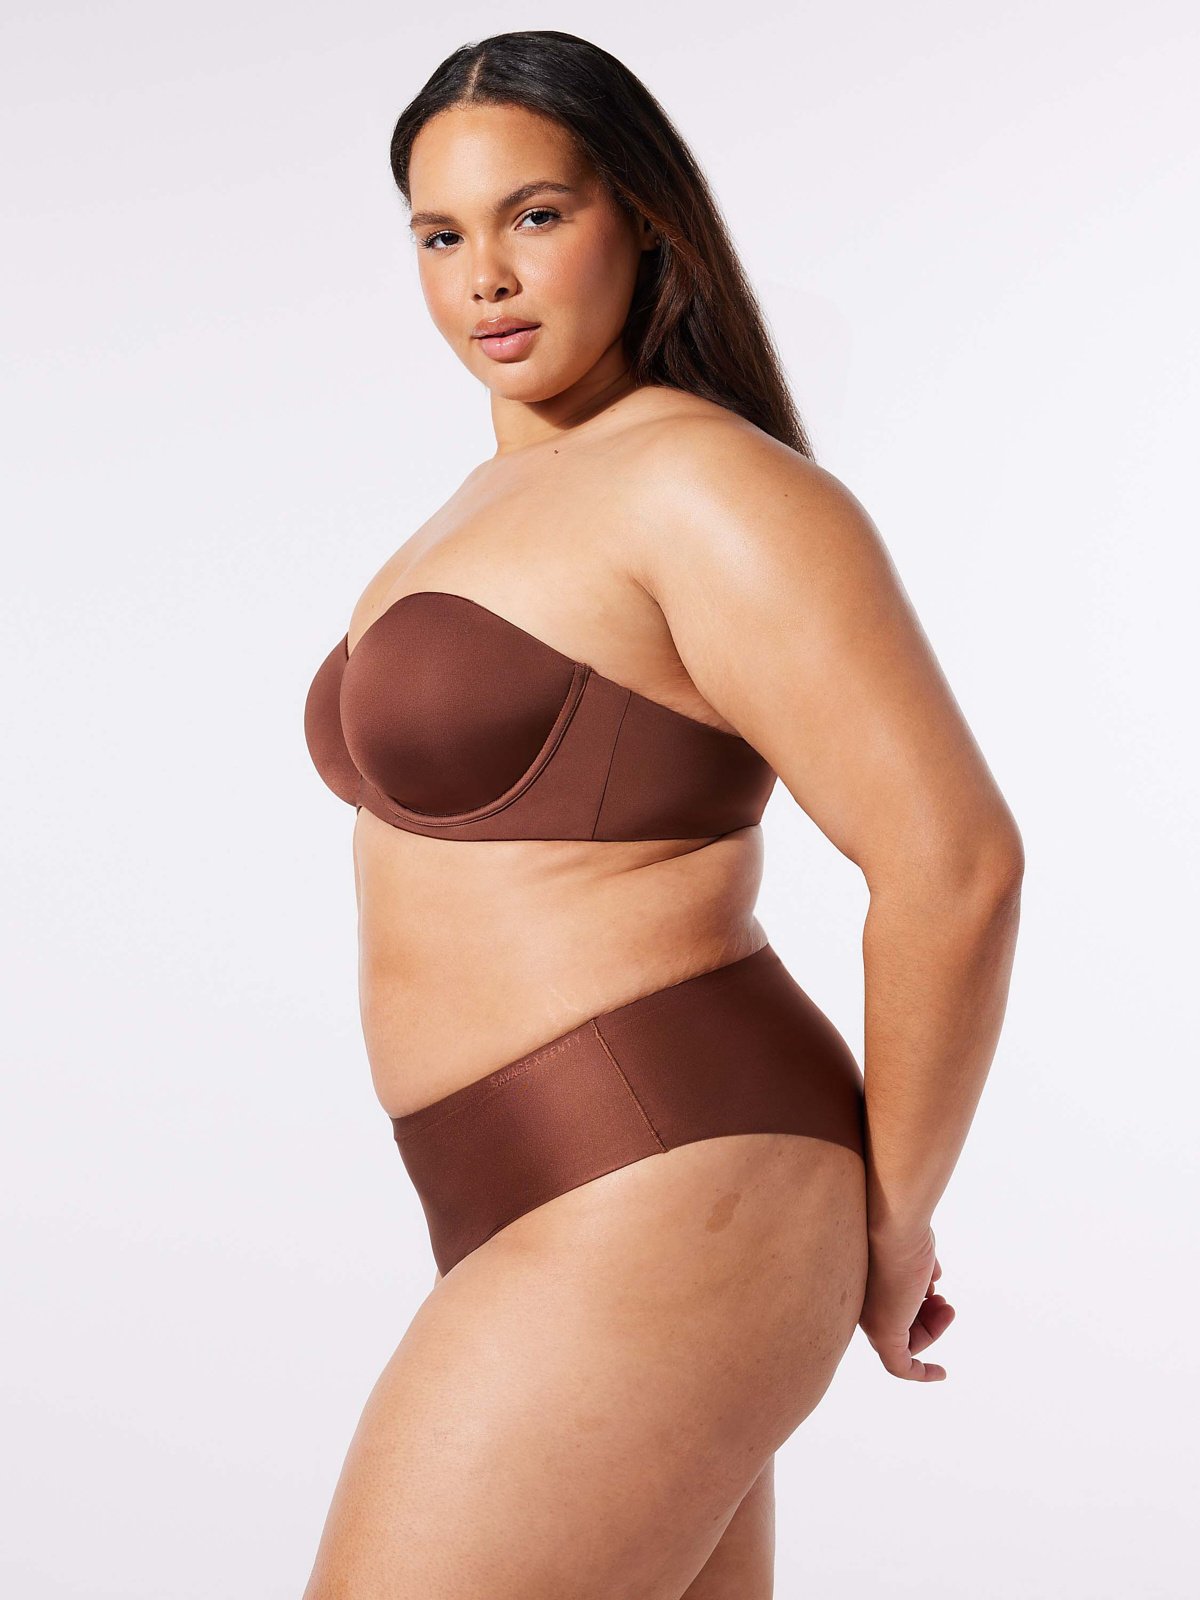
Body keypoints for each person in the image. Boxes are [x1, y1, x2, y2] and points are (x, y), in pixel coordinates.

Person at [299, 29, 1023, 1600]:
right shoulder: (485, 503)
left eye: (535, 216)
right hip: (532, 1195)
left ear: (642, 217)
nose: (487, 278)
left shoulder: (706, 485)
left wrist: (896, 1218)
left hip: (659, 1179)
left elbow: (954, 865)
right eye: (441, 236)